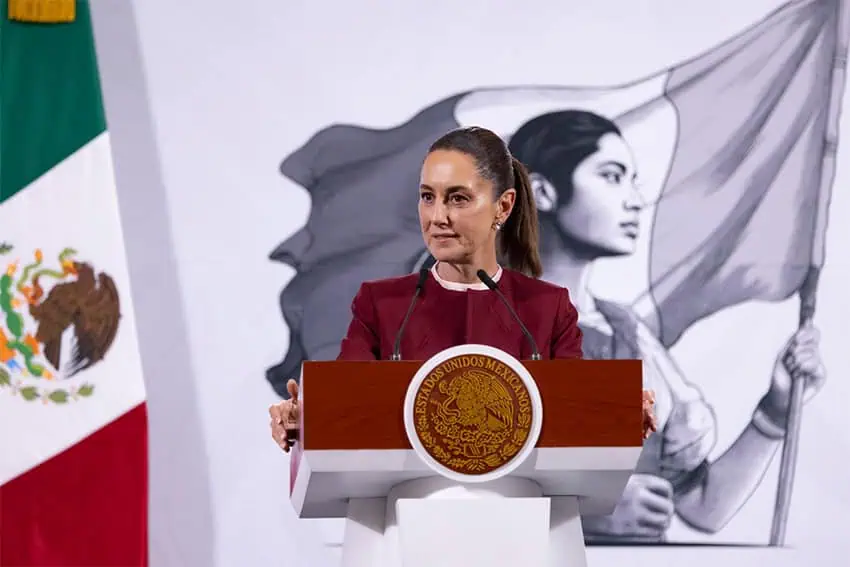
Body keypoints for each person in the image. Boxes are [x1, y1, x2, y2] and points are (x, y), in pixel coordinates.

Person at [505, 109, 826, 541]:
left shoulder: (626, 333)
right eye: (612, 176)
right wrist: (580, 515)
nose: (636, 199)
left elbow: (701, 507)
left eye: (633, 179)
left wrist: (776, 410)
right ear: (541, 192)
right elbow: (417, 499)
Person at [269, 125, 658, 453]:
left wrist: (621, 416)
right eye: (427, 197)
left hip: (520, 528)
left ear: (503, 208)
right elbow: (344, 407)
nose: (437, 217)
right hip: (408, 527)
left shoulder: (548, 308)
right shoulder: (383, 305)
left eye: (457, 198)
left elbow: (576, 426)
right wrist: (304, 418)